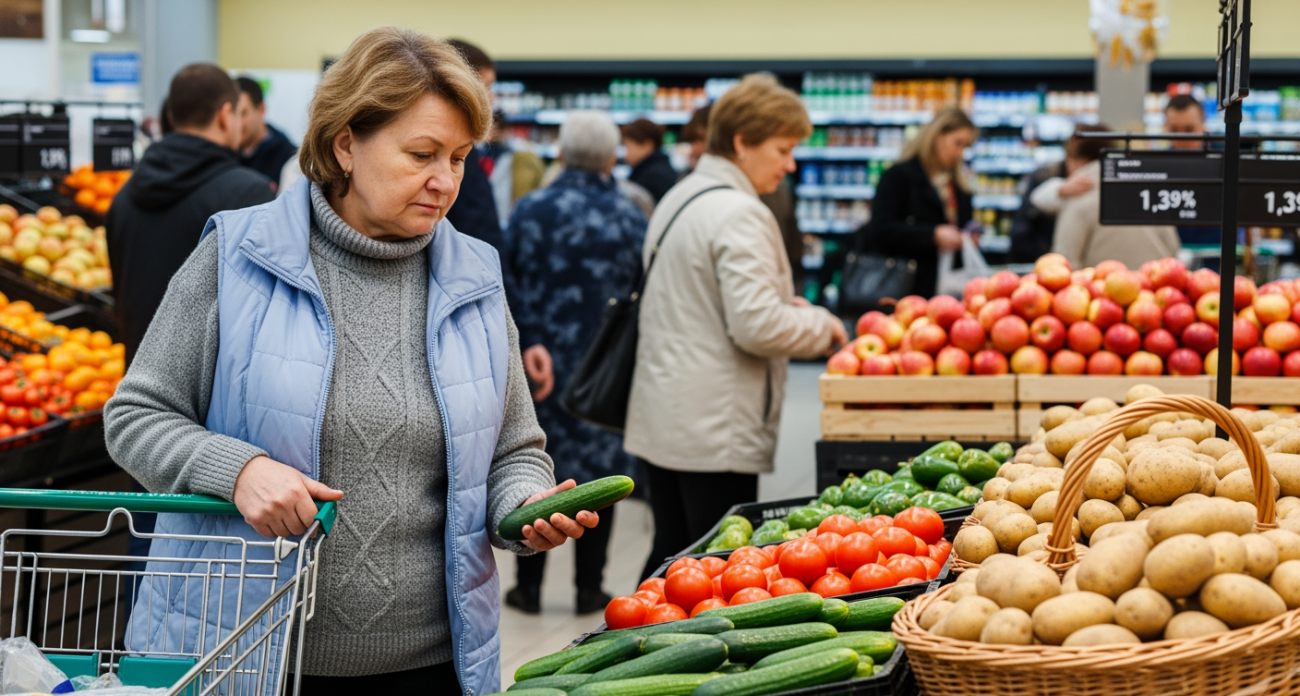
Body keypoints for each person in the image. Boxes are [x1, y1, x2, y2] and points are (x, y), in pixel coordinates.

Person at [103, 28, 602, 695]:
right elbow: (137, 415)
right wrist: (239, 470)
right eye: (421, 153)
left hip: (435, 663)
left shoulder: (475, 275)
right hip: (250, 656)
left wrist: (524, 504)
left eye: (459, 157)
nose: (445, 181)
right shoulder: (237, 256)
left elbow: (515, 447)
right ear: (345, 144)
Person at [625, 74, 846, 582]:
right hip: (714, 424)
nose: (790, 164)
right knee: (711, 569)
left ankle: (645, 646)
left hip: (668, 410)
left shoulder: (682, 197)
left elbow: (698, 299)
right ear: (743, 142)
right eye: (784, 148)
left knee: (672, 552)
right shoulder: (741, 212)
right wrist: (820, 324)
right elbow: (757, 327)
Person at [504, 111, 647, 615]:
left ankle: (528, 587)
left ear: (560, 154)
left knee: (536, 468)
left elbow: (508, 281)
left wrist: (529, 338)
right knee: (597, 475)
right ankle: (590, 586)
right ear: (612, 158)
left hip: (539, 361)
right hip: (604, 370)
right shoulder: (631, 216)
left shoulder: (531, 209)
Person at [106, 63, 275, 365]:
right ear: (226, 116)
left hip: (140, 386)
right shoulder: (248, 194)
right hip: (212, 397)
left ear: (171, 117)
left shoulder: (123, 197)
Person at [445, 38, 555, 402]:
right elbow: (486, 247)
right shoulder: (467, 160)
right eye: (485, 86)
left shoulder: (467, 154)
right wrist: (525, 332)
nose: (490, 100)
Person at [681, 103, 804, 292]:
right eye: (782, 151)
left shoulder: (685, 190)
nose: (790, 165)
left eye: (699, 140)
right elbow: (753, 313)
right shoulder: (739, 208)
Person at [858, 106, 977, 299]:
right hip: (905, 288)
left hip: (946, 288)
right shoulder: (899, 176)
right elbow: (880, 229)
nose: (960, 153)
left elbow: (963, 222)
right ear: (938, 136)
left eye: (965, 146)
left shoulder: (959, 183)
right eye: (958, 143)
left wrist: (969, 234)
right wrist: (932, 235)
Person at [1050, 127, 1181, 269]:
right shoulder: (1146, 190)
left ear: (1077, 161)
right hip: (1155, 287)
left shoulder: (1078, 197)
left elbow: (1064, 262)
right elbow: (1173, 247)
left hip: (1103, 288)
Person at [1164, 94, 1222, 248]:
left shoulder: (1224, 162)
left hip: (1217, 257)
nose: (1182, 137)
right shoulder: (1156, 166)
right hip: (1170, 259)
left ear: (1203, 126)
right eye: (1174, 130)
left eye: (1189, 129)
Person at [481, 110, 546, 229]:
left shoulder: (518, 157)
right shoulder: (482, 155)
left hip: (504, 217)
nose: (491, 134)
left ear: (504, 130)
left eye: (495, 129)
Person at [234, 76, 299, 190]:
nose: (238, 123)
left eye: (243, 113)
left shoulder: (287, 157)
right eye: (233, 115)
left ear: (261, 109)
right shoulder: (226, 155)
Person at [622, 118, 678, 203]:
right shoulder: (656, 168)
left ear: (648, 145)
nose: (625, 154)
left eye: (628, 146)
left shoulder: (653, 177)